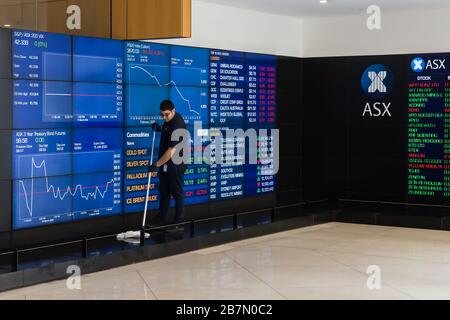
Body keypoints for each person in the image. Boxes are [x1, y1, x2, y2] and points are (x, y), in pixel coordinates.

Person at [149, 100, 187, 228]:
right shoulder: (169, 122)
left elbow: (170, 152)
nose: (164, 117)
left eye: (166, 114)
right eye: (162, 115)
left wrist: (156, 165)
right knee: (164, 190)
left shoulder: (178, 125)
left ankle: (179, 222)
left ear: (173, 111)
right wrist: (160, 129)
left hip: (176, 165)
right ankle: (161, 218)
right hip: (167, 164)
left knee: (177, 193)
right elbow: (167, 129)